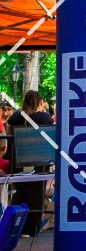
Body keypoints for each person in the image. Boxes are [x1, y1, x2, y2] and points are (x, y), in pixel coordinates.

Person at [8, 90, 54, 236]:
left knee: (20, 194)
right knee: (36, 196)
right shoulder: (45, 117)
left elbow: (10, 137)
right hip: (39, 162)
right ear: (39, 102)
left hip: (18, 163)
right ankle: (31, 229)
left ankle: (17, 227)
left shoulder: (16, 117)